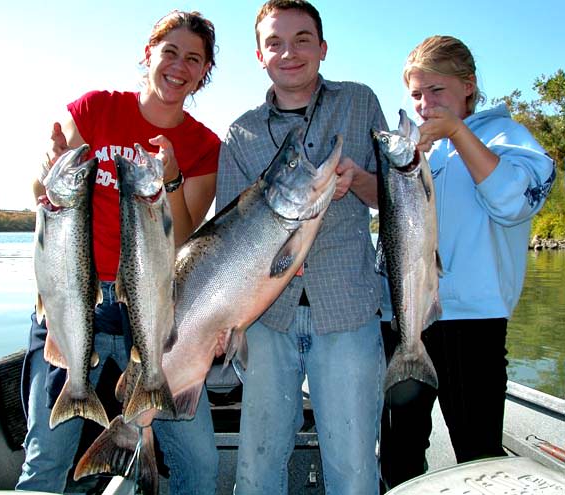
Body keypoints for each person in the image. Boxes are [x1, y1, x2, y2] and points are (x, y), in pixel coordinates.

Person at [18, 10, 220, 494]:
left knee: (200, 463)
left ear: (203, 73)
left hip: (153, 308)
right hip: (74, 301)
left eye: (193, 59)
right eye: (169, 51)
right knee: (47, 460)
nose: (178, 65)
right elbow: (44, 194)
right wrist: (45, 168)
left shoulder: (203, 145)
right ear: (148, 54)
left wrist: (169, 177)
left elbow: (185, 233)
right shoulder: (93, 109)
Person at [216, 1, 387, 493]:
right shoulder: (241, 132)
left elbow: (394, 199)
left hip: (348, 313)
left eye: (302, 39)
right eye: (275, 42)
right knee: (256, 469)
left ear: (322, 47)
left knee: (353, 471)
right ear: (259, 54)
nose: (289, 52)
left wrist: (358, 181)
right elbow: (227, 241)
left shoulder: (359, 101)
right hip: (268, 320)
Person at [379, 35, 556, 491]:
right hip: (406, 319)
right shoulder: (420, 150)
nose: (424, 104)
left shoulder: (509, 138)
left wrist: (460, 133)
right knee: (400, 451)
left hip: (472, 324)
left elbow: (514, 202)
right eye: (416, 94)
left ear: (468, 85)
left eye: (436, 91)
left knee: (478, 454)